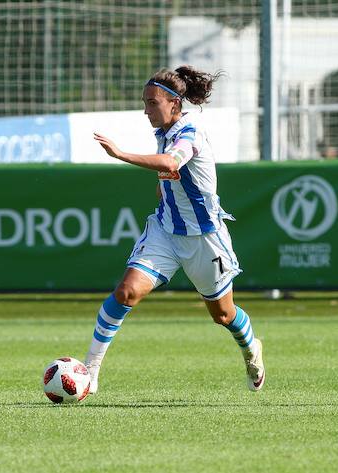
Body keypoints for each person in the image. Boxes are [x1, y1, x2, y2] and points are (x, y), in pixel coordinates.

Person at [85, 66, 265, 393]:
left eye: (152, 103)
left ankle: (252, 347)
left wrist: (119, 153)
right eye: (145, 102)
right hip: (166, 231)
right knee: (126, 293)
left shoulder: (190, 133)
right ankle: (90, 372)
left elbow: (171, 163)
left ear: (174, 103)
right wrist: (165, 190)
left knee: (223, 315)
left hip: (205, 238)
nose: (145, 110)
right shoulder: (163, 133)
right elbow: (170, 177)